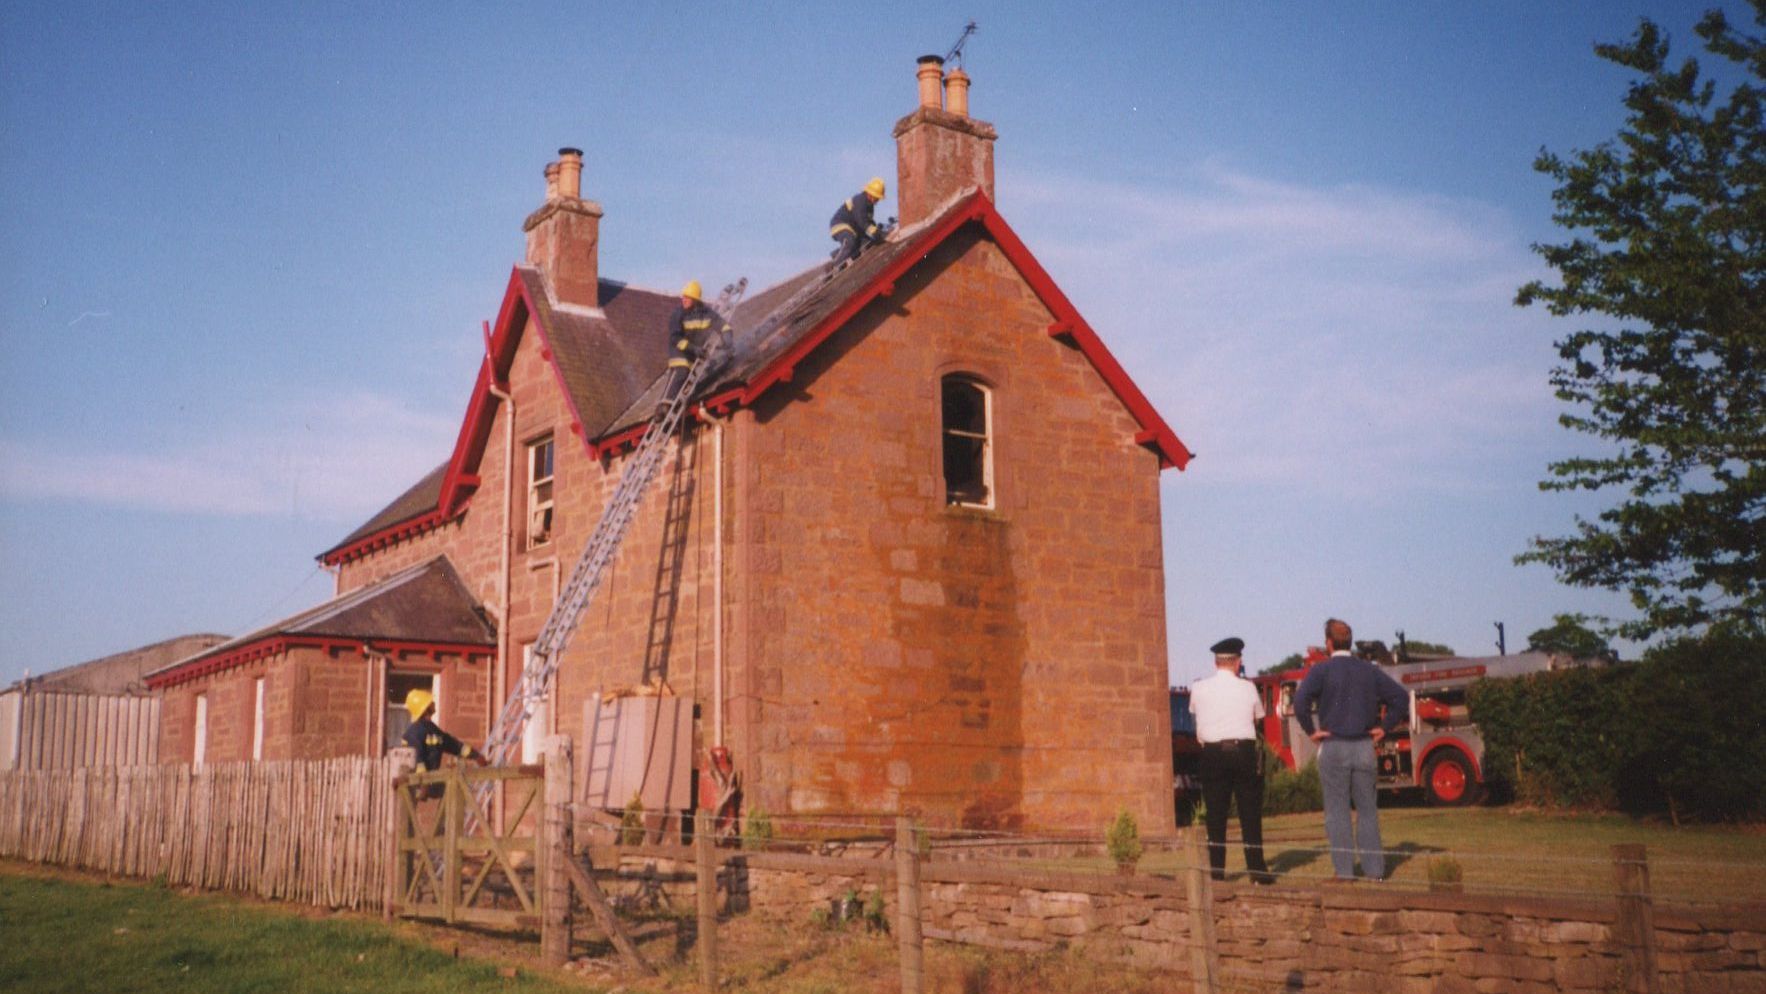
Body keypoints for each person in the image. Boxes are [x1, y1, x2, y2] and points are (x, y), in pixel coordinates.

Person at [1292, 618, 1409, 881]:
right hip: (1364, 745)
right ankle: (1375, 871)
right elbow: (1400, 697)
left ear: (1328, 643)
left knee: (1337, 812)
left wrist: (1311, 731)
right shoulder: (1368, 670)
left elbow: (1300, 701)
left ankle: (1344, 872)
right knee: (1368, 810)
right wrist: (1385, 727)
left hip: (1334, 744)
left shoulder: (1321, 671)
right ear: (1350, 642)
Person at [1188, 636, 1273, 884]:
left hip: (1213, 753)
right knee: (1250, 813)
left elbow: (1195, 713)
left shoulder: (1199, 688)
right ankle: (1257, 871)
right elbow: (1257, 717)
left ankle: (1217, 873)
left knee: (1215, 815)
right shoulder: (1247, 688)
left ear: (1216, 663)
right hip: (1242, 751)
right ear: (1237, 662)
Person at [656, 280, 725, 420]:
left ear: (695, 300)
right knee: (681, 372)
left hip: (692, 354)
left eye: (687, 298)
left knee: (687, 378)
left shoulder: (704, 313)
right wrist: (694, 348)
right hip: (679, 351)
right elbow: (675, 338)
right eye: (683, 297)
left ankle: (673, 405)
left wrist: (727, 336)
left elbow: (720, 324)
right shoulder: (678, 314)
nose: (684, 300)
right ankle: (664, 407)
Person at [400, 688, 485, 779]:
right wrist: (422, 784)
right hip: (417, 786)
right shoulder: (414, 732)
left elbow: (455, 745)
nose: (434, 703)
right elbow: (418, 759)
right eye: (430, 703)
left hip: (430, 781)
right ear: (425, 708)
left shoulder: (433, 730)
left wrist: (476, 756)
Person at [829, 177, 888, 265]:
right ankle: (835, 264)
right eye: (877, 198)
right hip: (839, 225)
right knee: (850, 240)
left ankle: (837, 254)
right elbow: (861, 221)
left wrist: (877, 231)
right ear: (871, 194)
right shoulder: (860, 200)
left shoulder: (869, 206)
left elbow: (869, 222)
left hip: (853, 229)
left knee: (864, 242)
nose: (877, 201)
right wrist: (873, 231)